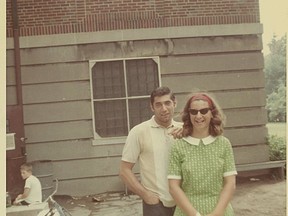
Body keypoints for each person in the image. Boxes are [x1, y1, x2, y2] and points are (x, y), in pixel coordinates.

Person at [168, 91, 237, 216]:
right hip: (187, 211)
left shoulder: (224, 144)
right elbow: (174, 187)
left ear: (212, 113)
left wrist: (216, 214)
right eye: (193, 112)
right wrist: (195, 214)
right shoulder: (179, 146)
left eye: (204, 111)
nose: (198, 116)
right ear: (188, 114)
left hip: (220, 210)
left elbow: (230, 183)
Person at [119, 86, 183, 216]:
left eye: (167, 103)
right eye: (158, 104)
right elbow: (124, 171)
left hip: (183, 201)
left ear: (174, 103)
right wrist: (146, 195)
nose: (164, 109)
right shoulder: (139, 132)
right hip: (155, 205)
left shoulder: (184, 130)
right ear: (152, 107)